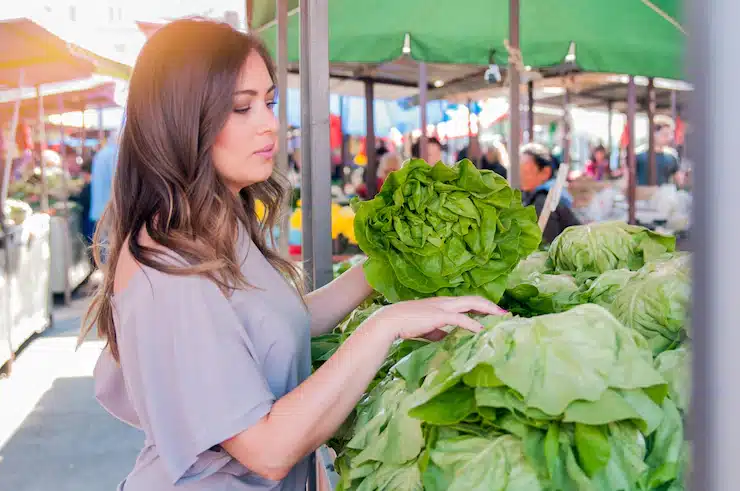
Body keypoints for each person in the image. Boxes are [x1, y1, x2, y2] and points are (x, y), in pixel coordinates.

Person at [80, 19, 502, 491]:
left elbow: (273, 324)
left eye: (270, 101)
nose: (269, 123)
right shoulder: (170, 266)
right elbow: (267, 449)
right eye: (242, 107)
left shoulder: (221, 224)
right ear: (181, 121)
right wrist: (386, 325)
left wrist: (382, 268)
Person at [520, 143, 580, 243]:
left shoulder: (544, 201)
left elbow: (546, 246)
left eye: (526, 172)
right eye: (519, 171)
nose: (521, 176)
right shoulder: (531, 195)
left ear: (545, 172)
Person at [636, 115, 680, 186]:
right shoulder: (638, 155)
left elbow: (678, 180)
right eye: (665, 134)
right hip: (642, 194)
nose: (669, 138)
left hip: (664, 195)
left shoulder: (672, 156)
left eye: (670, 135)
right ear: (653, 133)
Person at [90, 128, 119, 230]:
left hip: (100, 210)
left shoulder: (102, 153)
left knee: (102, 243)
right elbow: (118, 182)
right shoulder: (114, 154)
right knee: (110, 244)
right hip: (110, 211)